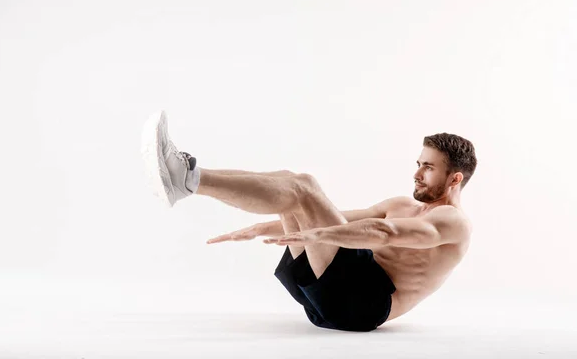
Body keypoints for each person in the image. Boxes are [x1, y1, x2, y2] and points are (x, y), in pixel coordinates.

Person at [141, 110, 477, 332]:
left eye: (429, 168)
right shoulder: (400, 203)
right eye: (419, 163)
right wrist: (266, 227)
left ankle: (187, 178)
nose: (417, 173)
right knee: (294, 184)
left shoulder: (454, 223)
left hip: (366, 305)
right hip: (330, 294)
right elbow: (341, 219)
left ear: (455, 179)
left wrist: (314, 233)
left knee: (305, 189)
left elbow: (384, 233)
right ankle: (188, 180)